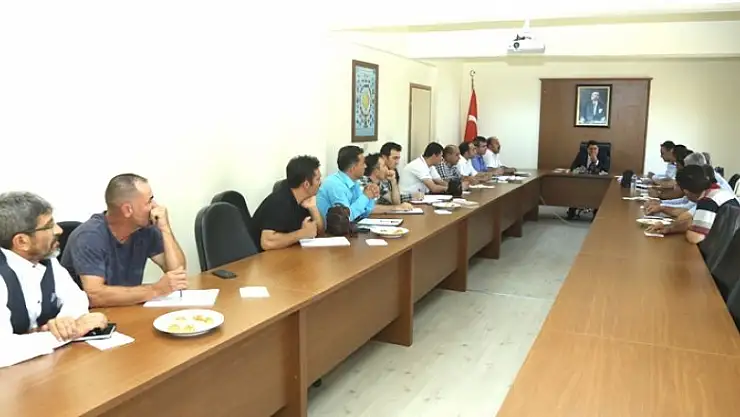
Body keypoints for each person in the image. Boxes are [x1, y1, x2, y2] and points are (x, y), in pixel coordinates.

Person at [0, 192, 108, 367]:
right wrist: (69, 333)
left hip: (39, 366)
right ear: (21, 242)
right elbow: (3, 351)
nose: (59, 230)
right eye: (49, 226)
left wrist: (65, 321)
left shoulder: (46, 260)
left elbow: (76, 298)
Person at [61, 174, 187, 307]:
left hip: (126, 307)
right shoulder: (89, 237)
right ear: (128, 210)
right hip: (90, 314)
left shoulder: (145, 228)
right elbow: (95, 296)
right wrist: (155, 290)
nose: (155, 207)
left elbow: (177, 273)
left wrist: (165, 228)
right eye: (149, 201)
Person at [647, 164, 739, 244]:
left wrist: (690, 228)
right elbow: (691, 222)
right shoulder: (718, 192)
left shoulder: (708, 200)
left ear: (686, 192)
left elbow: (694, 237)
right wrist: (669, 228)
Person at [250, 156, 324, 251]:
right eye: (318, 179)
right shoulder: (279, 202)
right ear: (306, 184)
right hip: (260, 257)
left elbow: (318, 231)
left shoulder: (303, 199)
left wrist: (313, 207)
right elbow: (267, 242)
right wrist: (302, 234)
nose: (320, 183)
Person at [317, 146, 378, 222]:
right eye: (363, 163)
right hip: (330, 229)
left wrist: (370, 195)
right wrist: (365, 197)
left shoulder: (354, 182)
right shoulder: (335, 185)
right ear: (353, 168)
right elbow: (346, 218)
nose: (365, 166)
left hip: (349, 227)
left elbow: (363, 214)